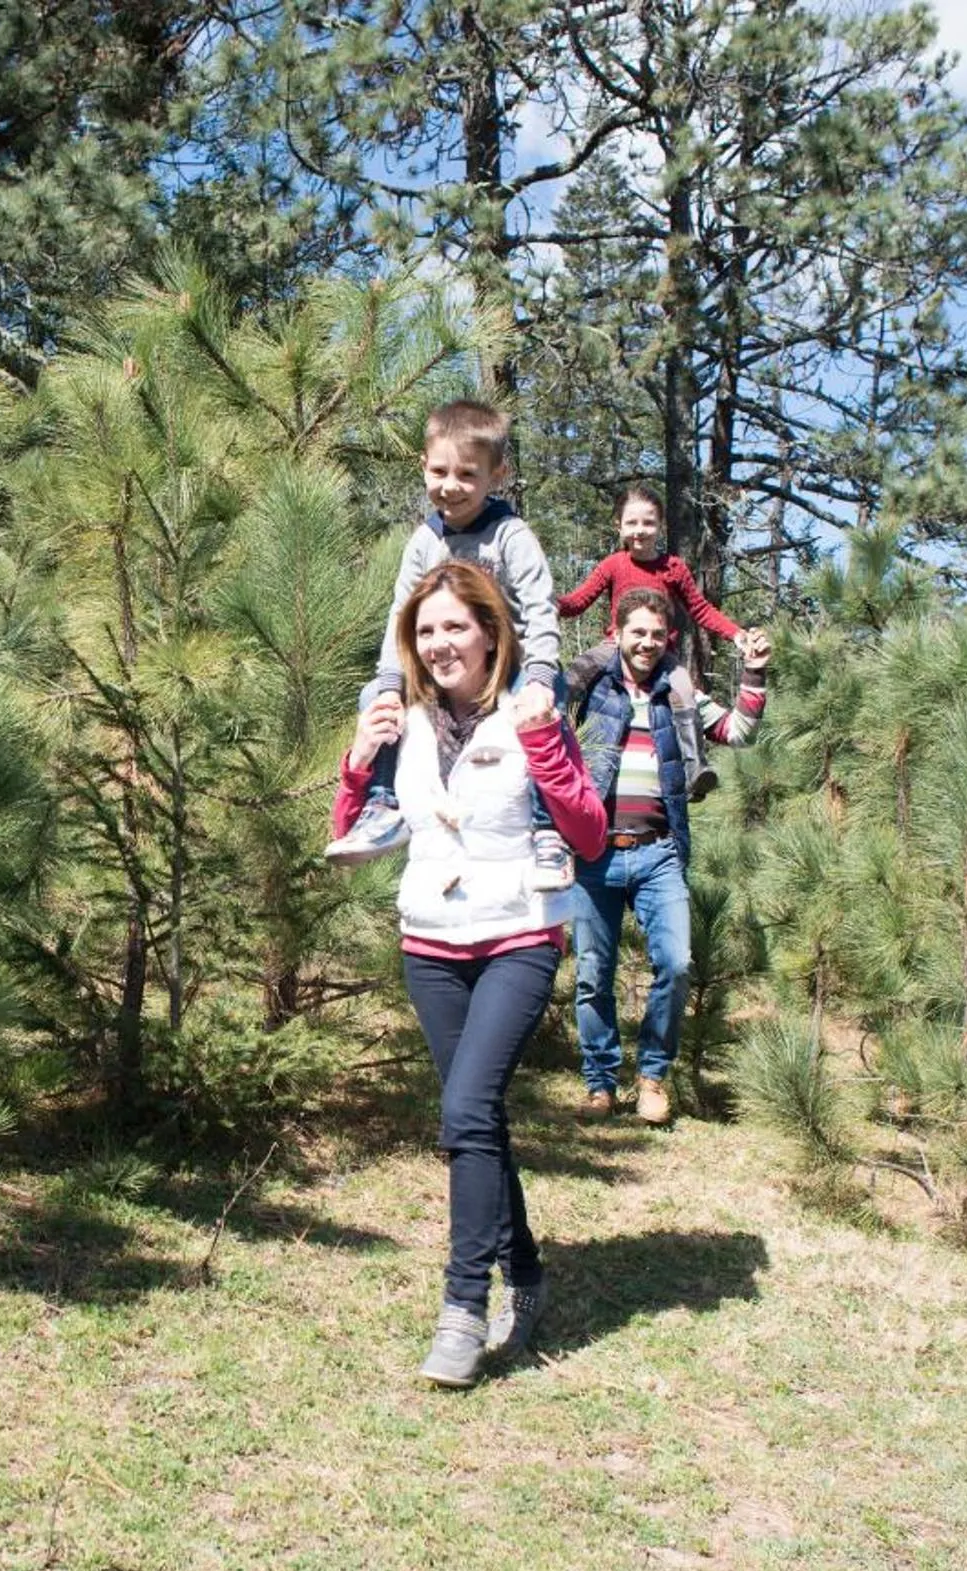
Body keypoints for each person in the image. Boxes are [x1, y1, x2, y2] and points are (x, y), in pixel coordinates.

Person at [333, 560, 608, 1387]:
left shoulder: (531, 711)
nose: (438, 643)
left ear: (490, 632)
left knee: (464, 1112)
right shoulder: (404, 721)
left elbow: (588, 835)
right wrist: (359, 760)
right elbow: (352, 837)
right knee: (475, 1119)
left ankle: (462, 1307)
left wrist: (544, 747)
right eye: (424, 630)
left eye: (454, 626)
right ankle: (525, 1275)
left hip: (518, 933)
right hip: (429, 942)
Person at [325, 399, 569, 888]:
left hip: (509, 662)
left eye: (467, 474)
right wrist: (391, 683)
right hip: (441, 665)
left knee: (547, 701)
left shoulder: (510, 536)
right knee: (374, 698)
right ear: (423, 466)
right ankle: (384, 805)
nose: (450, 486)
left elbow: (541, 608)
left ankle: (547, 831)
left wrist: (540, 677)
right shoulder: (424, 541)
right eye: (439, 471)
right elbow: (401, 614)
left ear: (496, 475)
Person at [569, 588, 771, 1126]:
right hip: (594, 853)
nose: (647, 642)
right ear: (616, 633)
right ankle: (600, 1083)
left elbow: (739, 732)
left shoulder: (680, 692)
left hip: (659, 852)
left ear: (669, 639)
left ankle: (652, 1077)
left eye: (657, 634)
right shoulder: (589, 687)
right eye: (637, 632)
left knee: (676, 964)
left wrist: (754, 672)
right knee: (593, 974)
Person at [557, 487, 751, 804]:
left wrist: (736, 634)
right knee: (575, 675)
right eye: (631, 523)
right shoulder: (613, 565)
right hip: (615, 645)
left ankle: (695, 768)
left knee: (684, 689)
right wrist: (550, 603)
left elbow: (701, 609)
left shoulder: (673, 568)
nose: (640, 531)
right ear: (618, 526)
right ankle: (556, 744)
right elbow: (578, 601)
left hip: (661, 653)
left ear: (660, 526)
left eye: (648, 523)